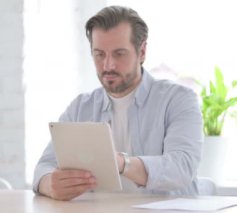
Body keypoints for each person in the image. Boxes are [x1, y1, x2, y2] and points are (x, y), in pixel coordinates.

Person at [32, 5, 203, 201]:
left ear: (142, 52)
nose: (108, 65)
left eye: (119, 54)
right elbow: (43, 167)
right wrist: (49, 184)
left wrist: (122, 163)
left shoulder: (179, 100)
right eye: (99, 54)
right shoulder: (80, 107)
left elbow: (182, 167)